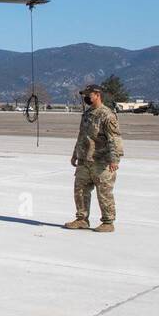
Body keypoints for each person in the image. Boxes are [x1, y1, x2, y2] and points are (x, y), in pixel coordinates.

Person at [64, 83, 123, 232]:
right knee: (80, 190)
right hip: (85, 159)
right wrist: (75, 154)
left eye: (88, 95)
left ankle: (108, 222)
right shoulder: (87, 114)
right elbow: (82, 136)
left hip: (101, 161)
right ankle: (82, 219)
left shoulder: (107, 115)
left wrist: (114, 159)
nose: (86, 98)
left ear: (97, 95)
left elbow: (114, 138)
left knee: (104, 193)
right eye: (85, 95)